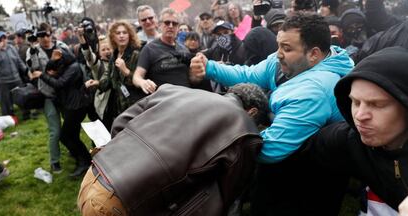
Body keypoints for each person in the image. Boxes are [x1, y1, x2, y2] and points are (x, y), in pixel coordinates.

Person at [190, 12, 354, 215]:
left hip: (309, 182)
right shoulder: (286, 63)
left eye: (287, 48)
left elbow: (271, 148)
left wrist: (215, 145)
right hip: (284, 167)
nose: (278, 54)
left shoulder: (313, 91)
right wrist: (209, 67)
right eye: (279, 45)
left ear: (314, 54)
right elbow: (248, 74)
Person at [77, 83, 269, 216]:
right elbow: (226, 195)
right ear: (252, 112)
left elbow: (120, 122)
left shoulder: (174, 90)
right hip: (119, 200)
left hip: (94, 174)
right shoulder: (244, 128)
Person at [302, 46, 408, 215]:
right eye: (355, 102)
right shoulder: (350, 139)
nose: (360, 115)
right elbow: (306, 150)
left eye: (376, 104)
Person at [31, 47, 92, 177]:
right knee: (72, 136)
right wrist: (52, 60)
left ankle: (84, 161)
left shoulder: (74, 67)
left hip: (76, 107)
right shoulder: (66, 66)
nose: (57, 58)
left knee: (65, 136)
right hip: (72, 106)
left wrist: (42, 75)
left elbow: (60, 83)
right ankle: (84, 160)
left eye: (59, 56)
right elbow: (51, 70)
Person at [85, 21, 144, 130]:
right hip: (120, 106)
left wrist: (125, 70)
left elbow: (142, 81)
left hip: (136, 106)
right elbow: (107, 78)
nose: (121, 35)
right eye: (118, 33)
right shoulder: (114, 55)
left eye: (124, 32)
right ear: (113, 37)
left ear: (130, 35)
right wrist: (97, 82)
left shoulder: (137, 54)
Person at [26, 22, 67, 173]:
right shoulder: (34, 51)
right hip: (48, 95)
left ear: (51, 33)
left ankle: (74, 151)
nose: (45, 38)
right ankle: (55, 161)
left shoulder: (61, 46)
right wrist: (31, 48)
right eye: (41, 35)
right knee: (55, 130)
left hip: (64, 93)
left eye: (47, 34)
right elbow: (33, 70)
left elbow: (71, 63)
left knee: (70, 127)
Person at [133, 8, 192, 95]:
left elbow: (192, 77)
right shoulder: (149, 49)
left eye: (174, 23)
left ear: (178, 27)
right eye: (167, 23)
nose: (171, 26)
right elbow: (136, 77)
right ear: (160, 25)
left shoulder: (184, 49)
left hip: (186, 97)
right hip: (163, 101)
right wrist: (143, 83)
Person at [0, 31, 27, 117]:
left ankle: (26, 114)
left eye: (4, 38)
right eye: (0, 39)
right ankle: (8, 118)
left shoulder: (11, 48)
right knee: (5, 102)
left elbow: (19, 61)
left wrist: (26, 71)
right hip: (3, 81)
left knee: (22, 97)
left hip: (16, 78)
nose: (3, 40)